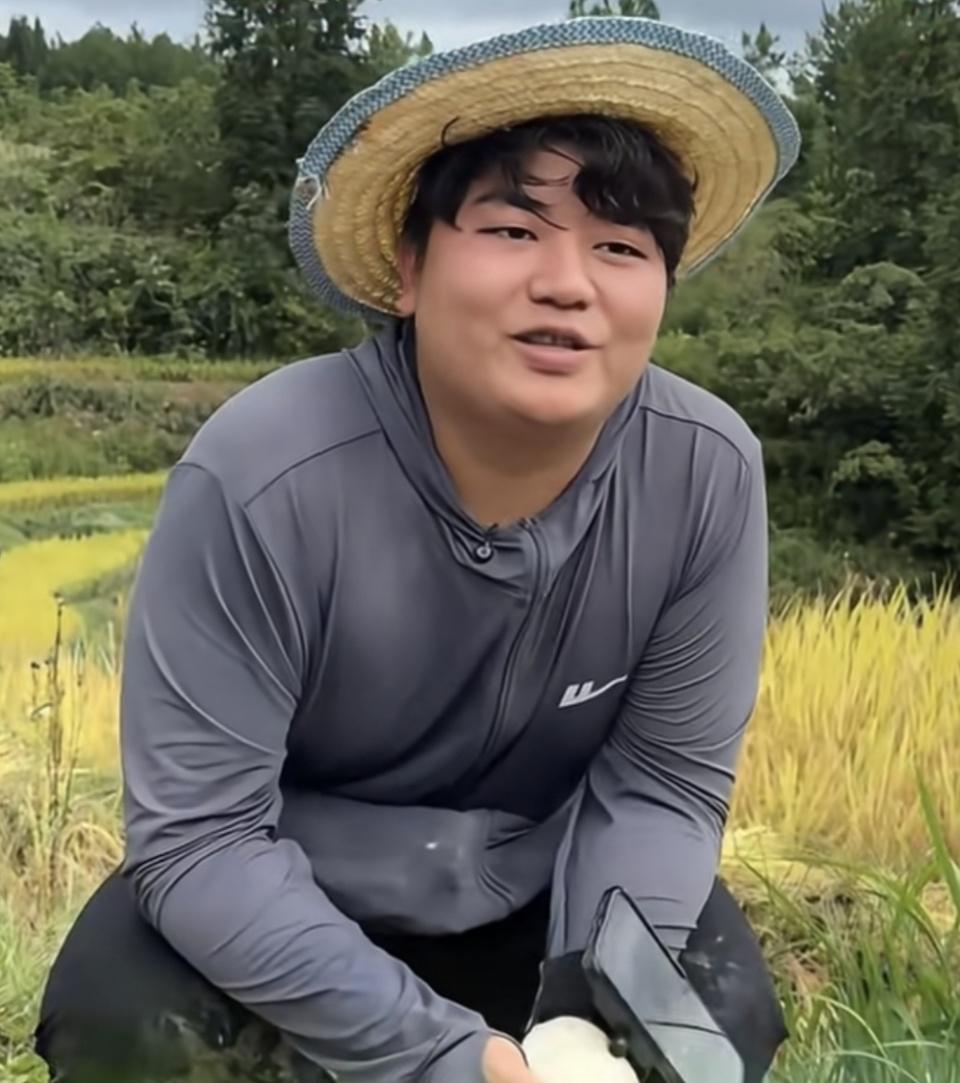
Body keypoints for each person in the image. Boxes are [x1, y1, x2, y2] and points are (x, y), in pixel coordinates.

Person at [34, 14, 801, 1083]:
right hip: (292, 882)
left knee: (713, 1024)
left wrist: (579, 1021)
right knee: (125, 1023)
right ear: (409, 268)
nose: (569, 282)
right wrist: (440, 1054)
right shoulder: (263, 474)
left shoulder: (705, 471)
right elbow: (202, 838)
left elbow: (662, 789)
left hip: (551, 887)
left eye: (621, 247)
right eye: (514, 230)